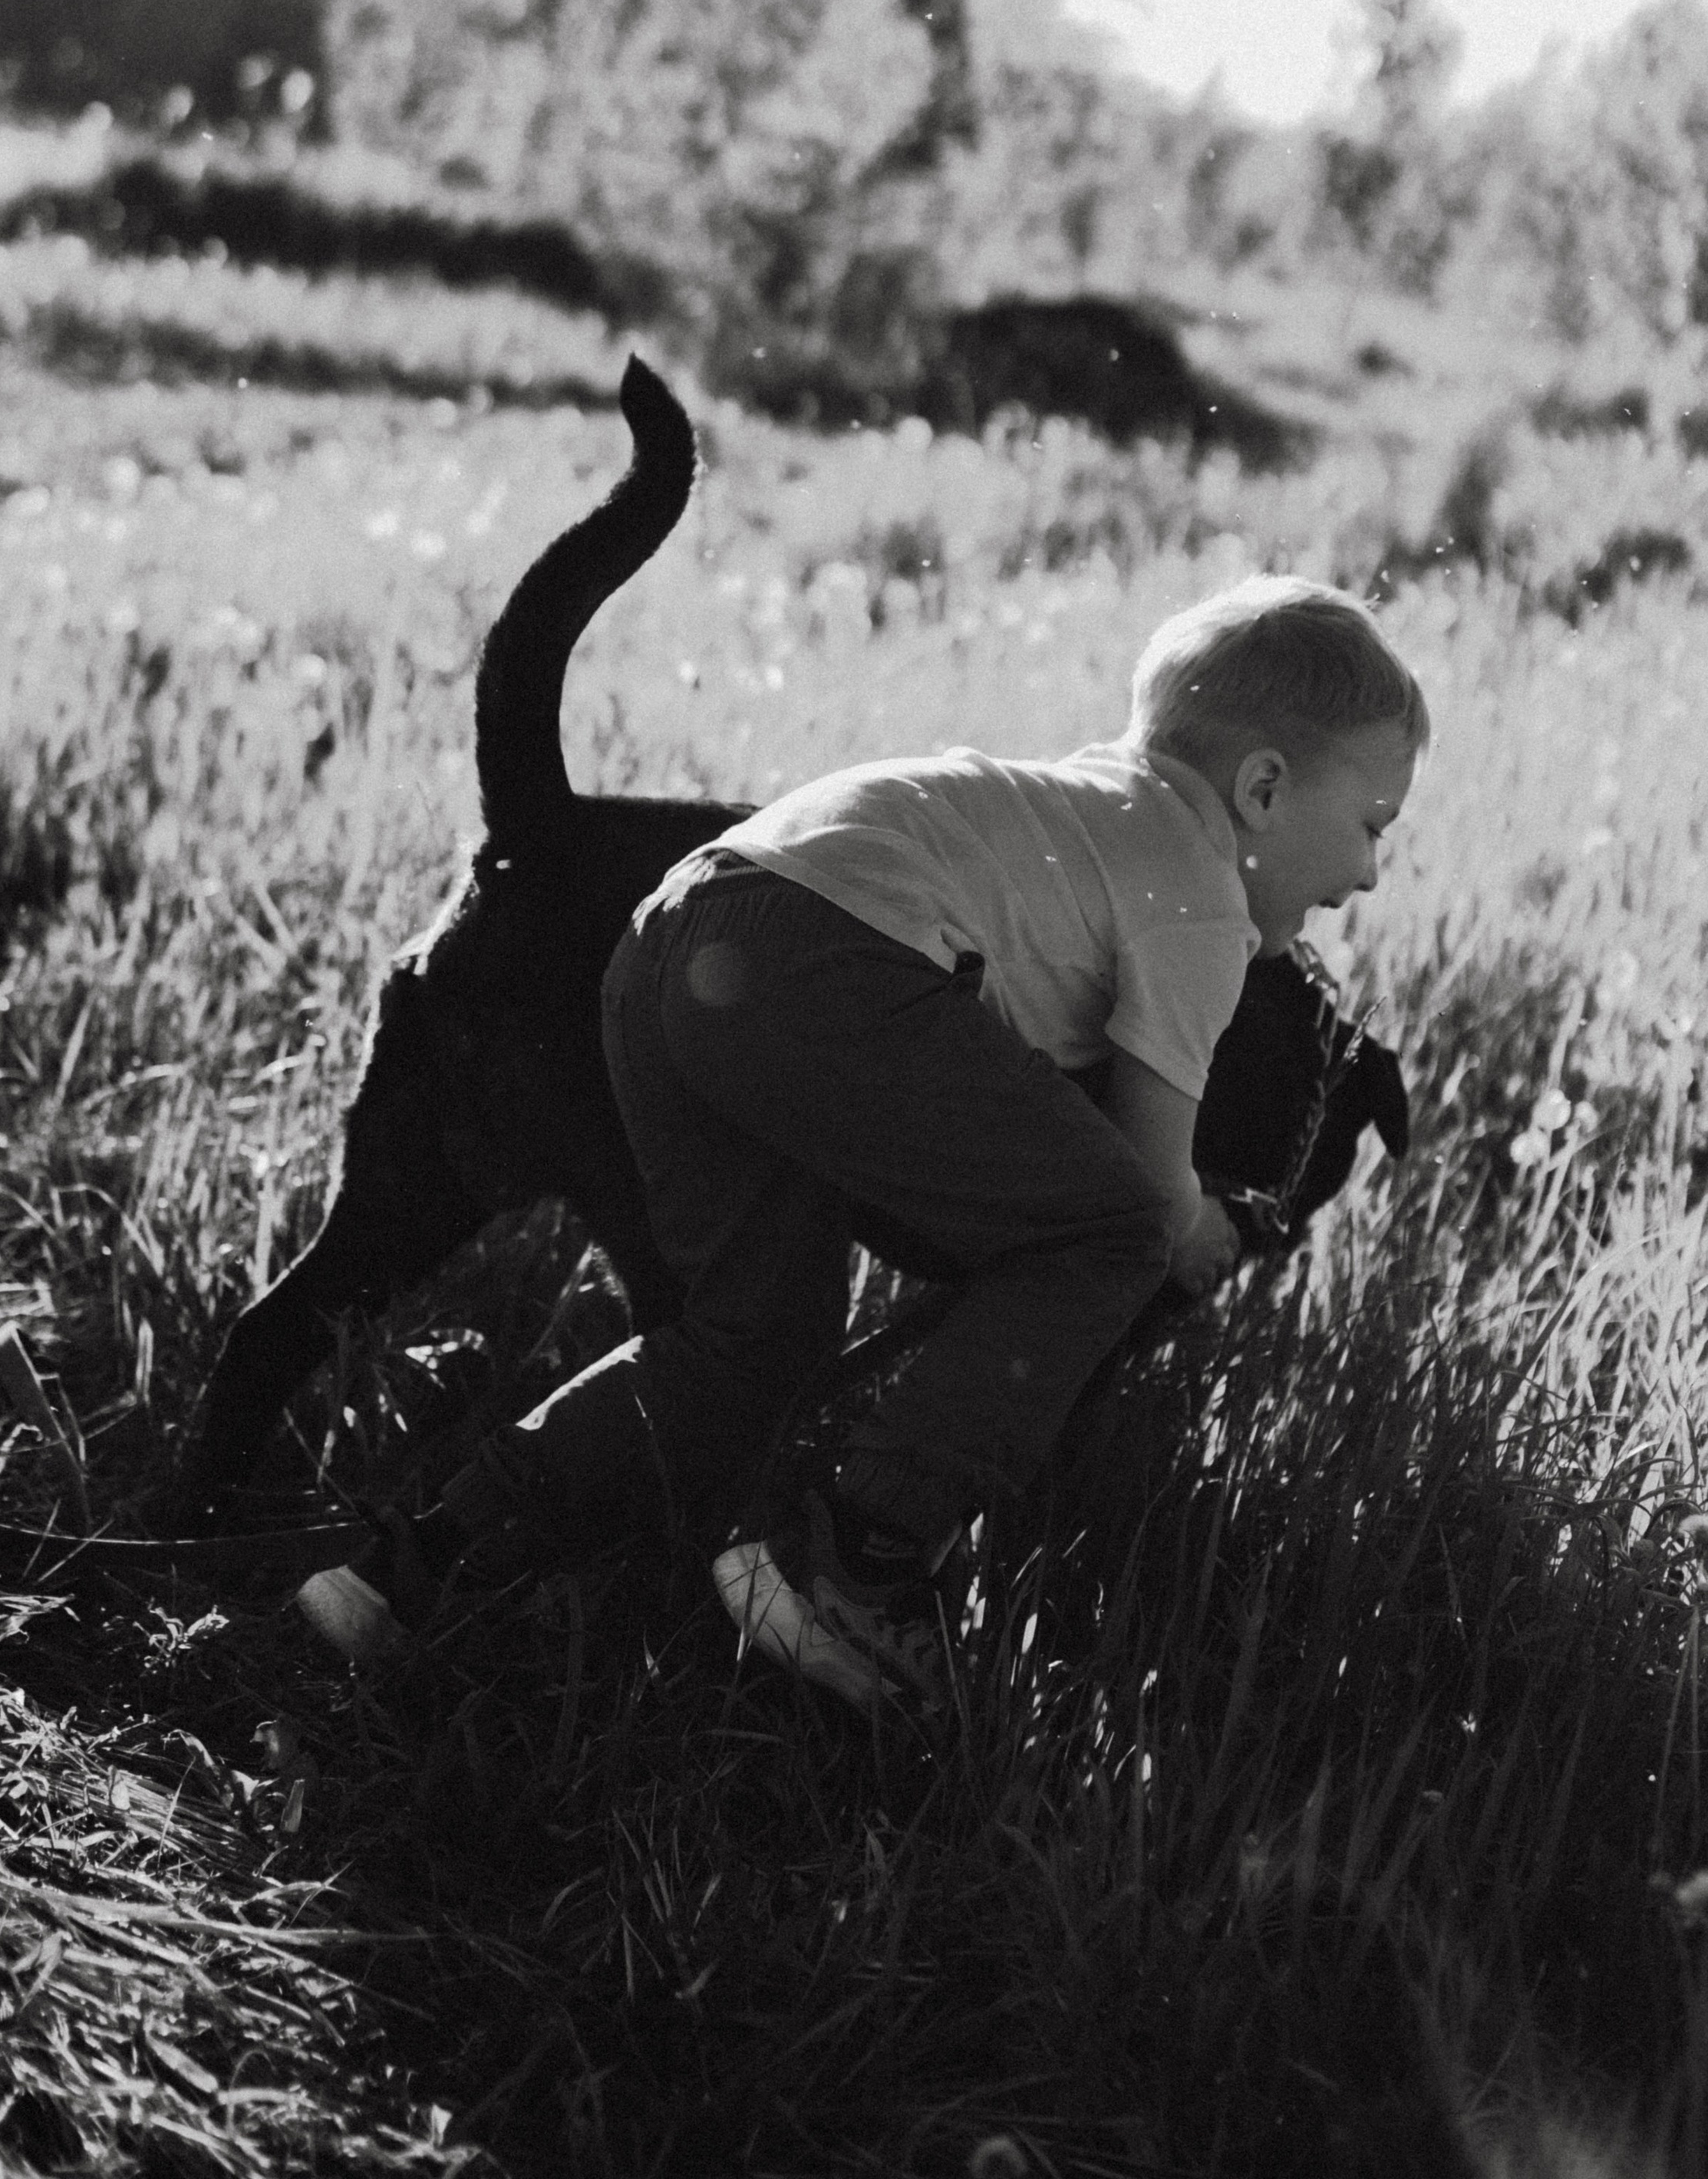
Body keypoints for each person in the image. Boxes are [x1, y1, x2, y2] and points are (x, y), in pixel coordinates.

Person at [302, 573, 1427, 1714]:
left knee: (749, 1341)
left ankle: (408, 1565)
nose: (1372, 872)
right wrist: (1205, 1226)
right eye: (1373, 826)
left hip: (673, 945)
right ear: (1267, 788)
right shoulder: (1195, 893)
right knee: (1118, 1229)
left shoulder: (1086, 807)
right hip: (816, 964)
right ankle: (864, 1560)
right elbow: (1141, 1187)